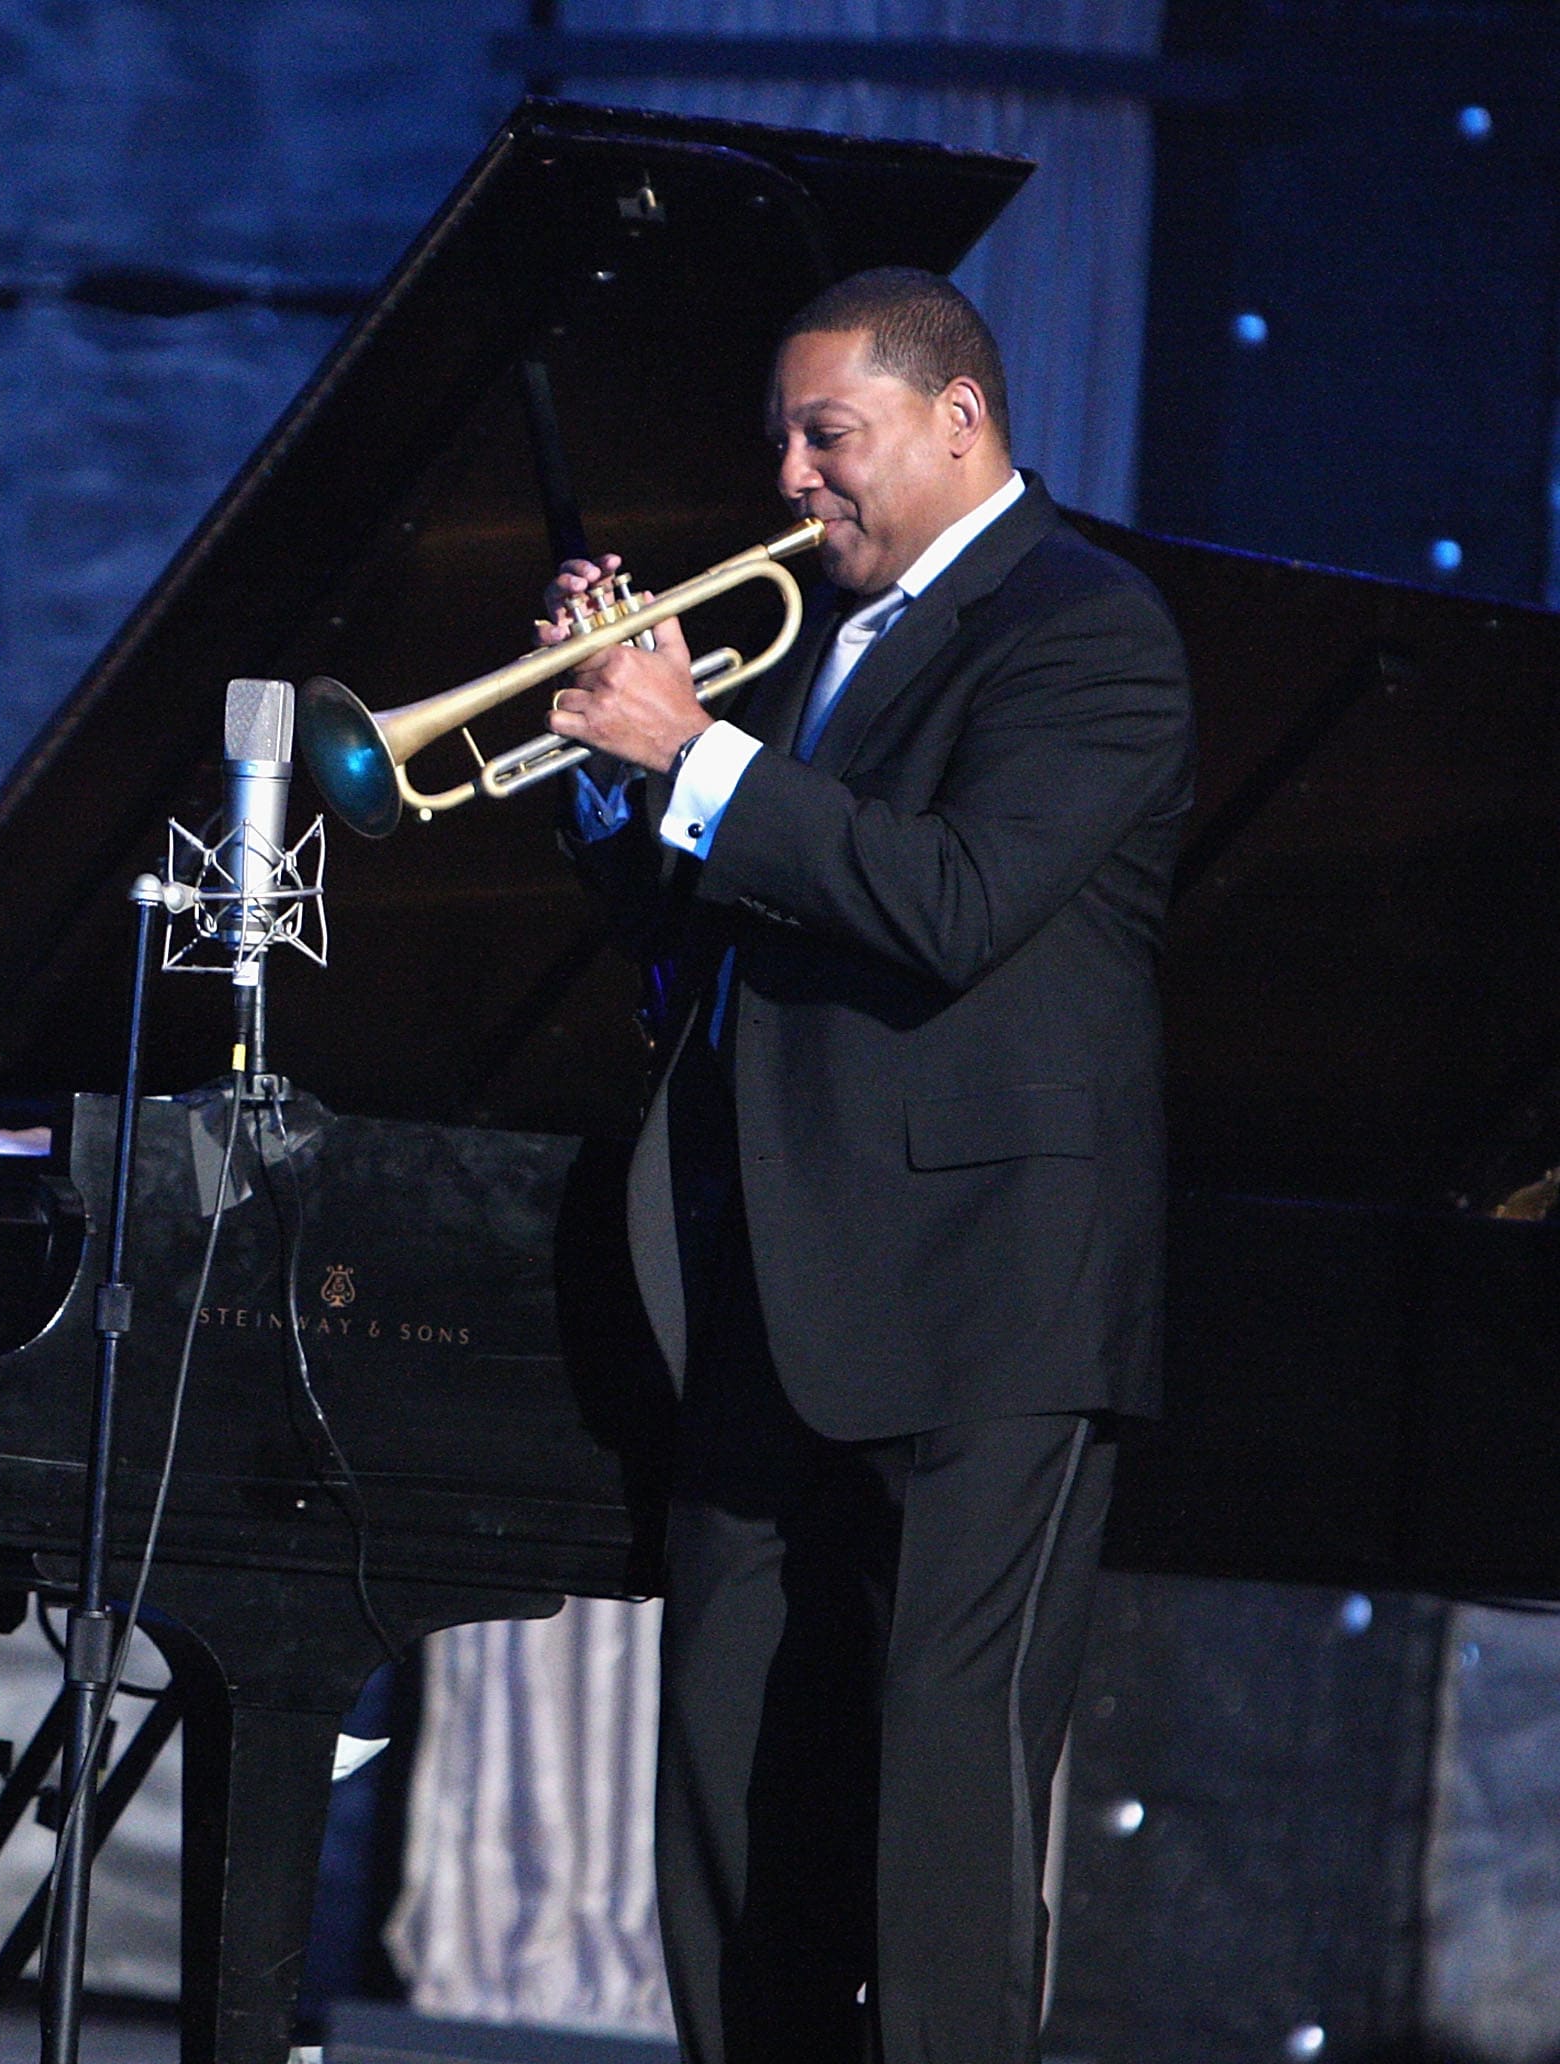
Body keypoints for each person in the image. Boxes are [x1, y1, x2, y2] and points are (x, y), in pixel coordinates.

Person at [539, 269, 1194, 2063]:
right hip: (775, 1272)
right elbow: (728, 930)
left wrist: (697, 753)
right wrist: (622, 770)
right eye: (783, 442)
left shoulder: (1085, 625)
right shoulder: (823, 646)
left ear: (956, 421)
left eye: (830, 435)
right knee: (729, 1777)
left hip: (992, 1295)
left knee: (944, 1784)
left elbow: (959, 899)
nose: (793, 480)